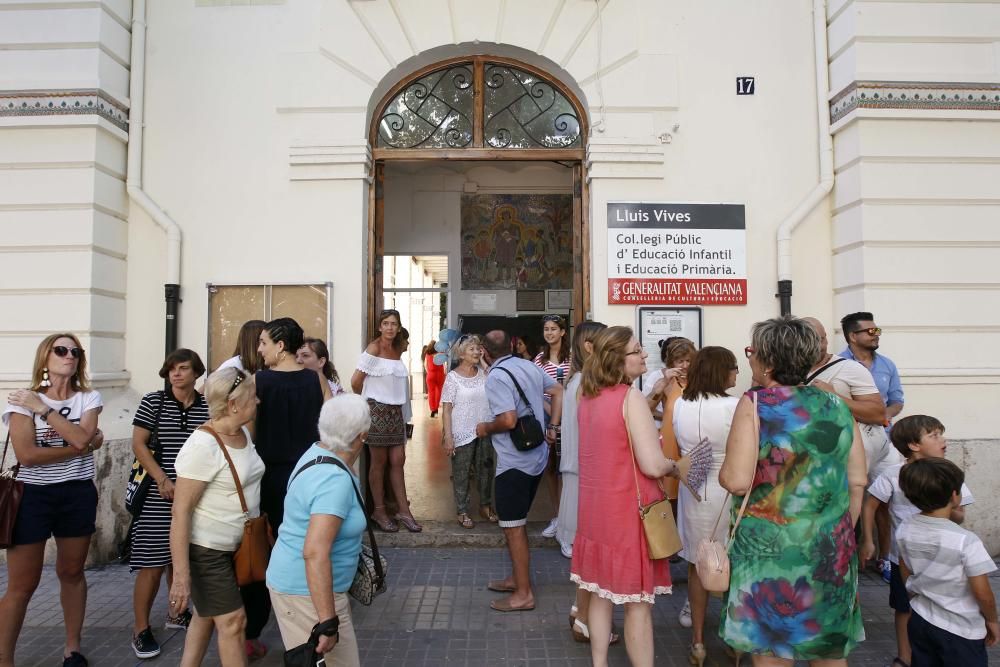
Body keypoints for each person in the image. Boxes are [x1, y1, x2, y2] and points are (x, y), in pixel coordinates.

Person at [719, 316, 866, 665]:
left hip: (770, 550)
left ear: (768, 361)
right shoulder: (837, 405)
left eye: (752, 352)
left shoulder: (757, 404)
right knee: (828, 648)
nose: (749, 359)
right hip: (831, 547)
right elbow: (858, 477)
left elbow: (737, 480)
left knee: (772, 649)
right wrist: (837, 531)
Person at [571, 326, 678, 667]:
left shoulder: (585, 396)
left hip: (595, 511)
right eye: (637, 349)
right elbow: (652, 464)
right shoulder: (628, 398)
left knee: (601, 596)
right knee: (638, 607)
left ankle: (599, 663)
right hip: (628, 512)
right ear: (618, 359)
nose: (645, 354)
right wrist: (674, 465)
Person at [0, 333, 104, 667]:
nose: (69, 355)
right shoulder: (21, 399)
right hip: (33, 496)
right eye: (61, 350)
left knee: (72, 572)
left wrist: (43, 411)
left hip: (76, 493)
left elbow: (81, 437)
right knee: (22, 584)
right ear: (45, 357)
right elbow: (28, 455)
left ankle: (72, 650)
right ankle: (5, 659)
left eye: (75, 351)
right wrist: (81, 446)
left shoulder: (88, 398)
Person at [168, 367, 266, 667]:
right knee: (234, 622)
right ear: (234, 403)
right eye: (252, 396)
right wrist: (181, 578)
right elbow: (180, 512)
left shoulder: (242, 433)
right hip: (207, 550)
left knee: (206, 614)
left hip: (236, 546)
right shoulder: (203, 445)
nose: (258, 401)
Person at [860, 415, 974, 667]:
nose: (943, 440)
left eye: (941, 434)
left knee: (942, 604)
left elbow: (959, 515)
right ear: (913, 445)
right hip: (904, 558)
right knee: (904, 607)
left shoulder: (949, 473)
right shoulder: (893, 474)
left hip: (943, 559)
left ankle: (940, 650)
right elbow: (870, 505)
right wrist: (869, 541)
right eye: (934, 435)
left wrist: (949, 506)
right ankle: (905, 657)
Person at [266, 394, 371, 667]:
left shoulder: (317, 452)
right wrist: (327, 621)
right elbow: (314, 552)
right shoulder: (333, 480)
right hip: (306, 593)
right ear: (362, 435)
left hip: (308, 588)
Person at [248, 317, 330, 657]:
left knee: (269, 547)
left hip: (271, 477)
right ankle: (310, 615)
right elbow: (329, 424)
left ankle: (259, 625)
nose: (259, 349)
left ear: (281, 346)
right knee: (308, 544)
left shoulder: (259, 381)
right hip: (309, 474)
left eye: (264, 342)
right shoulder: (315, 378)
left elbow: (250, 435)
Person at [128, 349, 210, 660]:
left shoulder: (205, 407)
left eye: (183, 368)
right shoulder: (154, 402)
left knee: (181, 559)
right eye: (171, 369)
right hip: (157, 495)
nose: (176, 374)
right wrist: (162, 479)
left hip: (193, 495)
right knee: (152, 562)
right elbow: (138, 443)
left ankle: (177, 613)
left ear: (196, 373)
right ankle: (140, 629)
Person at [804, 316, 899, 582]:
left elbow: (878, 411)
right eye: (814, 338)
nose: (820, 343)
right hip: (820, 463)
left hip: (859, 455)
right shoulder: (790, 371)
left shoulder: (849, 369)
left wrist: (835, 397)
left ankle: (869, 563)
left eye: (823, 337)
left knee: (859, 510)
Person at [476, 330, 563, 613]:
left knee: (513, 528)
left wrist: (485, 428)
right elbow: (558, 391)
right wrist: (553, 427)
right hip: (537, 456)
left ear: (484, 353)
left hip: (514, 462)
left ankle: (523, 594)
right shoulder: (529, 366)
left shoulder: (496, 377)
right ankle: (517, 578)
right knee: (518, 523)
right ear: (512, 345)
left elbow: (508, 420)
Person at [554, 321, 620, 648]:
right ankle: (583, 617)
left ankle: (581, 611)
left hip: (582, 473)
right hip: (588, 476)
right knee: (592, 552)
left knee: (589, 552)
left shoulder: (578, 382)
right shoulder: (585, 385)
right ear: (592, 347)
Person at [672, 346, 739, 667]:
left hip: (693, 489)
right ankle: (733, 637)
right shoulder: (735, 406)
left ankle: (698, 640)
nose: (737, 374)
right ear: (720, 371)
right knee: (732, 564)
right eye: (733, 367)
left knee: (698, 566)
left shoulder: (680, 404)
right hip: (728, 489)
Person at [896, 458, 997, 667]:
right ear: (954, 495)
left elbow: (904, 568)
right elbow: (982, 592)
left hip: (921, 618)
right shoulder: (965, 541)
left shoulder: (905, 528)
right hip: (962, 629)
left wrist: (916, 595)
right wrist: (992, 620)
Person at [840, 310, 904, 583]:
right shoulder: (839, 365)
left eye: (877, 330)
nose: (875, 335)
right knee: (849, 499)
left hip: (884, 441)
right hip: (854, 442)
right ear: (853, 336)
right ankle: (847, 557)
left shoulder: (887, 365)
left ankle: (886, 558)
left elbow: (897, 399)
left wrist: (886, 414)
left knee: (889, 499)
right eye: (870, 331)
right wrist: (870, 414)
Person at [351, 309, 421, 533]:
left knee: (398, 460)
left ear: (398, 327)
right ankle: (379, 511)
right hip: (377, 411)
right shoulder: (374, 348)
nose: (390, 327)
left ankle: (403, 510)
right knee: (378, 463)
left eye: (394, 324)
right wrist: (368, 406)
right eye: (386, 323)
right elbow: (355, 381)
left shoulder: (397, 348)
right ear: (380, 327)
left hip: (395, 412)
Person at [440, 334, 496, 528]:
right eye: (472, 349)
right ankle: (462, 510)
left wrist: (482, 361)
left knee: (486, 471)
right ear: (461, 354)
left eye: (478, 348)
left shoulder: (484, 373)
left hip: (484, 429)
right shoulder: (452, 378)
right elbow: (446, 409)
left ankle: (486, 506)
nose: (476, 351)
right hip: (462, 431)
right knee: (461, 473)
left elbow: (495, 378)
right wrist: (448, 436)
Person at [533, 314, 571, 540]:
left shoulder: (574, 359)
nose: (549, 333)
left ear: (563, 332)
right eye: (546, 329)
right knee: (550, 468)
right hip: (548, 416)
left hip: (572, 417)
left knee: (567, 469)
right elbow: (536, 391)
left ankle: (569, 518)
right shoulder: (539, 360)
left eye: (554, 329)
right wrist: (552, 413)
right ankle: (557, 516)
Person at [424, 340, 445, 418]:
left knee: (431, 392)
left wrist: (429, 372)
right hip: (439, 374)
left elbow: (425, 365)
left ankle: (433, 410)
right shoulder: (441, 354)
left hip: (431, 375)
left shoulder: (427, 355)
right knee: (439, 391)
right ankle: (436, 407)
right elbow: (445, 365)